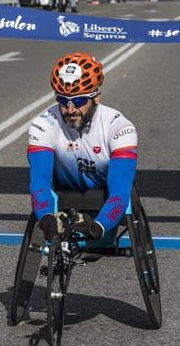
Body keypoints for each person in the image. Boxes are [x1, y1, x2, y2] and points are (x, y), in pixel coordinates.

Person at [27, 52, 139, 243]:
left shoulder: (120, 127)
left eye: (78, 101)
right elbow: (40, 182)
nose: (70, 110)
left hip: (105, 196)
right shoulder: (43, 124)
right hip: (66, 194)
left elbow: (120, 190)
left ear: (96, 97)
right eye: (63, 101)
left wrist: (98, 226)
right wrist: (46, 219)